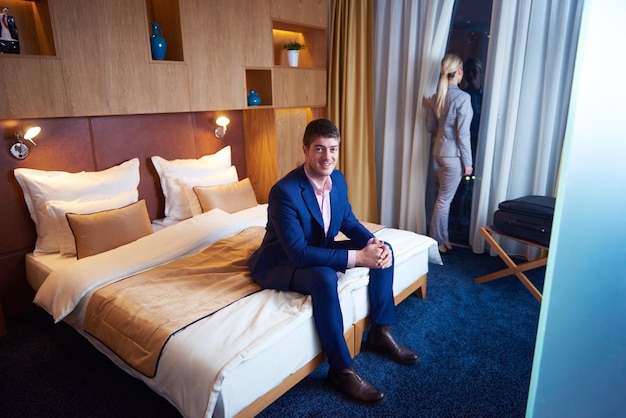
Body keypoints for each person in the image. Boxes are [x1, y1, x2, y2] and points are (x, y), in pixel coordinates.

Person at [248, 119, 418, 405]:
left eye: (333, 149)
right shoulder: (284, 192)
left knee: (382, 247)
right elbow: (299, 254)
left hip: (315, 248)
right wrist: (356, 257)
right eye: (319, 149)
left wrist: (370, 244)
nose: (327, 157)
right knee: (325, 277)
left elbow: (348, 221)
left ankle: (380, 331)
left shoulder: (337, 179)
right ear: (305, 149)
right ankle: (341, 370)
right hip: (280, 262)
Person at [423, 54, 473, 254]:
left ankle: (443, 239)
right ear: (459, 72)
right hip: (453, 156)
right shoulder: (462, 97)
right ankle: (436, 241)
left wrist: (429, 109)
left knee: (443, 199)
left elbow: (429, 127)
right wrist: (468, 163)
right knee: (444, 201)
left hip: (440, 152)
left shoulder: (437, 96)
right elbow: (463, 134)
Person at [462, 57, 484, 161]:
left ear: (480, 71)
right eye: (467, 72)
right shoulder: (462, 96)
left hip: (483, 137)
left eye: (473, 70)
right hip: (467, 139)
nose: (470, 75)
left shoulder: (488, 95)